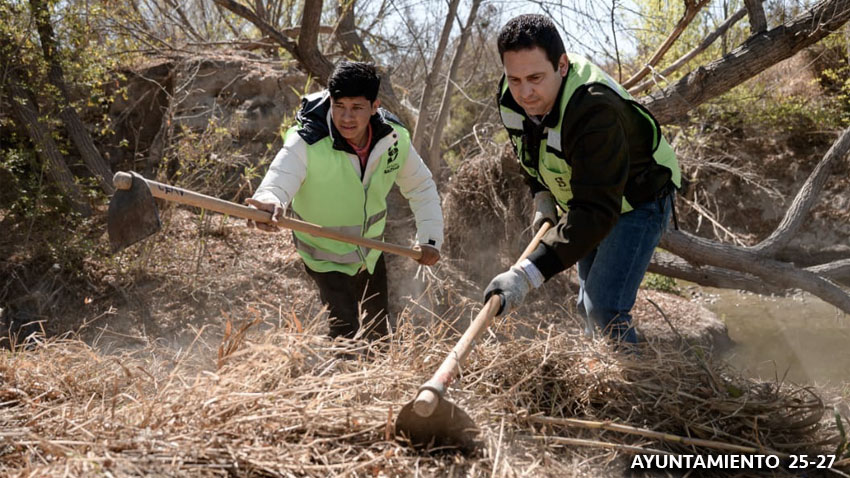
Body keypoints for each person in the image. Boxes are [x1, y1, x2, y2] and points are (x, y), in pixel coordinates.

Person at [484, 14, 681, 344]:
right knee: (585, 303)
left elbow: (595, 213)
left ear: (562, 65)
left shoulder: (593, 110)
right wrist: (541, 196)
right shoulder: (510, 96)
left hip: (639, 196)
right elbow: (527, 151)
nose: (525, 92)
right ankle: (601, 367)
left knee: (604, 306)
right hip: (587, 196)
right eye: (515, 79)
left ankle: (632, 386)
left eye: (535, 77)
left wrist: (525, 276)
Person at [248, 61, 443, 341]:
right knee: (346, 334)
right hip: (324, 255)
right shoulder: (307, 140)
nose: (346, 117)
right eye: (339, 106)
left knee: (379, 332)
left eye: (356, 108)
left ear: (375, 105)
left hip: (371, 253)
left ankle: (380, 380)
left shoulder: (393, 139)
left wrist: (431, 239)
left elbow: (421, 188)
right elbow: (280, 176)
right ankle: (341, 381)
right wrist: (268, 201)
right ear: (330, 100)